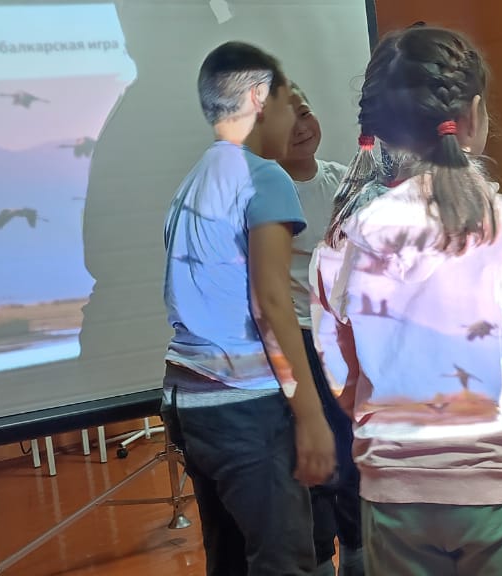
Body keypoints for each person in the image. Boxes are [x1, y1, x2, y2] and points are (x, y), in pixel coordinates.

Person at [310, 25, 502, 576]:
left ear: (380, 128)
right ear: (473, 116)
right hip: (499, 488)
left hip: (392, 489)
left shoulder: (346, 236)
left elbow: (341, 371)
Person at [160, 41, 335, 576]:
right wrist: (310, 417)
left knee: (231, 558)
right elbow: (272, 302)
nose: (294, 120)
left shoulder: (192, 183)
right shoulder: (264, 176)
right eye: (289, 105)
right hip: (245, 405)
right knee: (285, 561)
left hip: (188, 399)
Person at [279, 81, 363, 576]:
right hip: (301, 337)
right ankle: (318, 555)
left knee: (353, 446)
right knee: (315, 451)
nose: (301, 127)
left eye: (305, 112)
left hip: (347, 333)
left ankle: (356, 546)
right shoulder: (270, 190)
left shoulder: (342, 179)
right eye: (285, 121)